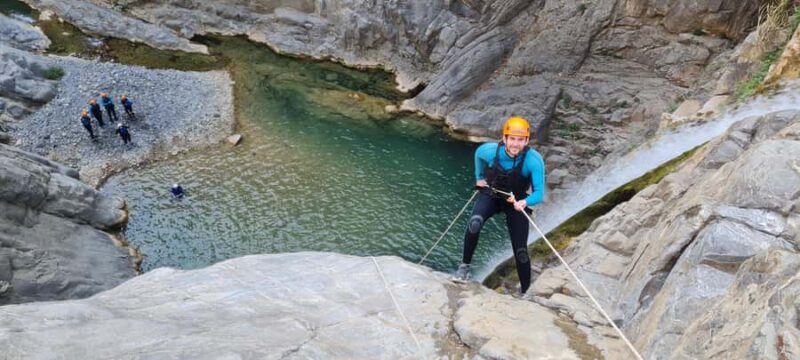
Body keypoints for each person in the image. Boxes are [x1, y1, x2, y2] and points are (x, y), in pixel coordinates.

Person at [453, 116, 545, 296]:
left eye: (520, 140)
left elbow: (539, 193)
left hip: (516, 201)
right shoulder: (490, 151)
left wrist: (524, 202)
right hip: (492, 193)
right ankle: (464, 268)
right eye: (512, 139)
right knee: (475, 223)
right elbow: (478, 154)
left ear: (526, 141)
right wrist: (479, 177)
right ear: (504, 138)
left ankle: (525, 291)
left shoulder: (533, 160)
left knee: (520, 251)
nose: (515, 144)